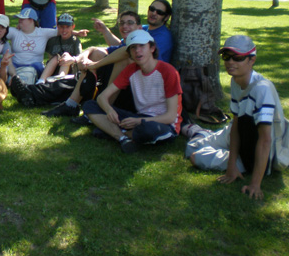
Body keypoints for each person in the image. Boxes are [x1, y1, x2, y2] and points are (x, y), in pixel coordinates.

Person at [185, 35, 288, 200]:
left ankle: (203, 135)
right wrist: (231, 165)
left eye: (238, 57)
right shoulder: (236, 80)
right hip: (240, 134)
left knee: (195, 157)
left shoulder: (262, 90)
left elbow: (265, 140)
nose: (230, 62)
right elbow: (236, 125)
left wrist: (255, 184)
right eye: (226, 56)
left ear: (251, 60)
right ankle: (202, 133)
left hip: (256, 152)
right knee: (190, 147)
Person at [83, 30, 182, 154]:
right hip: (139, 117)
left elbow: (171, 116)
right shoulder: (131, 70)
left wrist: (139, 122)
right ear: (129, 53)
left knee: (147, 129)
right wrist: (109, 110)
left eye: (142, 46)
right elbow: (102, 97)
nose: (137, 51)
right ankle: (123, 137)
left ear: (152, 48)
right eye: (133, 48)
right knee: (89, 105)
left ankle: (113, 131)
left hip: (163, 124)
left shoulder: (168, 71)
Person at [38, 11, 143, 118]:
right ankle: (71, 104)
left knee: (80, 74)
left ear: (139, 27)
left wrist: (94, 65)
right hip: (108, 80)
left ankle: (97, 108)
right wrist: (80, 59)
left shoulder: (140, 44)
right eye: (122, 23)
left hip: (132, 91)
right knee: (95, 54)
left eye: (130, 23)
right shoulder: (125, 43)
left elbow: (125, 52)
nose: (125, 26)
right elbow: (95, 49)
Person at [7, 8, 58, 83]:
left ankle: (21, 82)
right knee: (1, 66)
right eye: (19, 18)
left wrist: (76, 33)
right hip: (15, 65)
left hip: (35, 67)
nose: (19, 20)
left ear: (31, 20)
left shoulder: (42, 33)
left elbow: (62, 32)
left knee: (28, 75)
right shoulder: (14, 32)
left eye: (22, 19)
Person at [37, 13, 84, 84]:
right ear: (57, 26)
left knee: (66, 55)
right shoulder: (53, 40)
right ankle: (41, 80)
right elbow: (50, 57)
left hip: (70, 69)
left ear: (73, 27)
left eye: (67, 27)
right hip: (54, 68)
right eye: (61, 27)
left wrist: (68, 58)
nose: (64, 30)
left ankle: (61, 78)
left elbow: (79, 57)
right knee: (56, 57)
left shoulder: (75, 41)